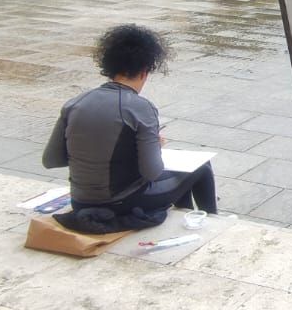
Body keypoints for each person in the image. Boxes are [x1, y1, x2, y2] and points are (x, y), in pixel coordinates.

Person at [42, 24, 217, 222]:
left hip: (81, 201)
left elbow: (51, 160)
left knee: (176, 178)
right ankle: (213, 222)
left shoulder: (75, 103)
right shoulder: (139, 107)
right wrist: (155, 147)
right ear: (144, 71)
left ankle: (185, 215)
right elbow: (151, 172)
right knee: (201, 167)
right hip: (122, 202)